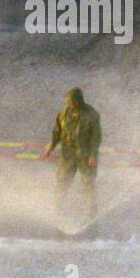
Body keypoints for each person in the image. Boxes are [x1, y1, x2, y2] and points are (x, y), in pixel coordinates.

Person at [41, 87, 101, 217]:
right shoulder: (64, 113)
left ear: (78, 101)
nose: (69, 104)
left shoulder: (91, 115)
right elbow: (57, 131)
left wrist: (92, 154)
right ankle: (57, 209)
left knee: (88, 183)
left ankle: (91, 212)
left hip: (85, 155)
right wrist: (50, 147)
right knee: (62, 181)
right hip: (68, 155)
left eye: (71, 102)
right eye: (67, 102)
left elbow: (96, 137)